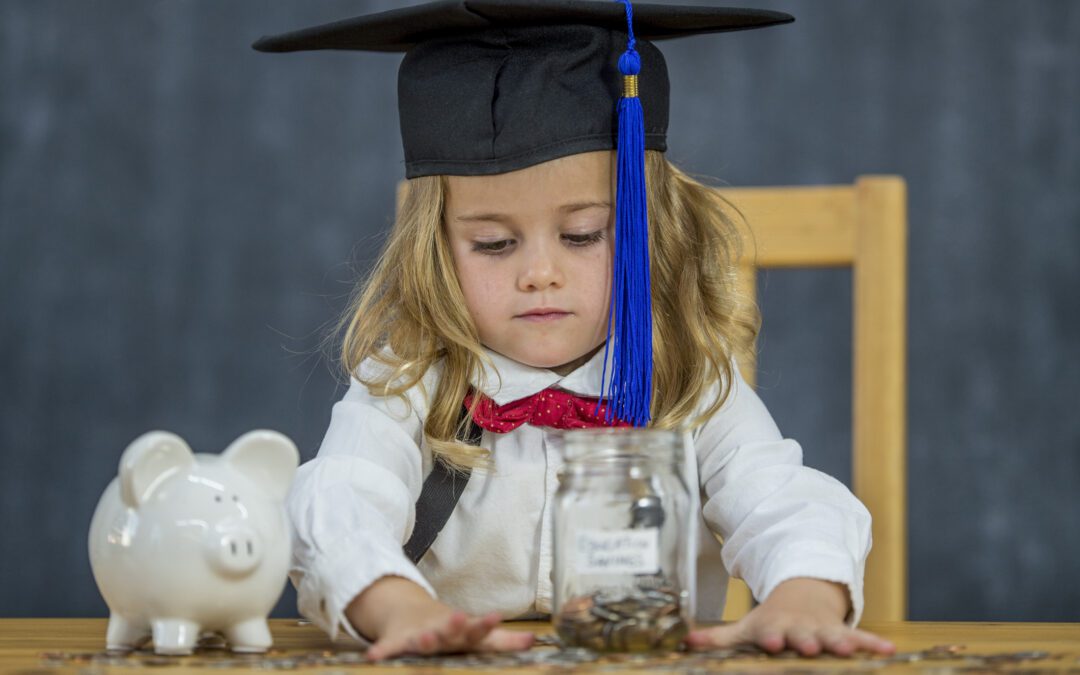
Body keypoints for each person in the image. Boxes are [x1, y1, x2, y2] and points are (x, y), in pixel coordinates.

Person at [252, 0, 897, 661]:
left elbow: (783, 499)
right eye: (494, 242)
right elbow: (339, 495)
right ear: (437, 247)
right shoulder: (411, 375)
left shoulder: (687, 379)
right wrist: (396, 604)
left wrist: (804, 597)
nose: (539, 273)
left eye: (583, 234)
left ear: (649, 228)